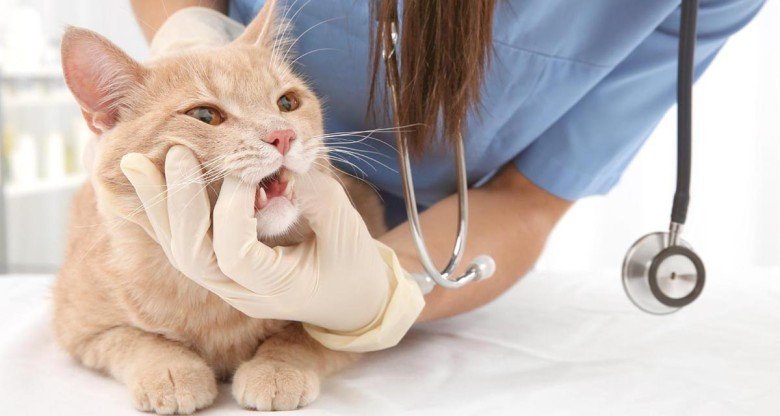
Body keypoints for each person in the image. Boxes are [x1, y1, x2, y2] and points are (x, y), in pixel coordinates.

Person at [127, 0, 764, 351]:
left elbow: (528, 200)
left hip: (442, 246)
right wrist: (189, 35)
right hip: (227, 172)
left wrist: (383, 292)